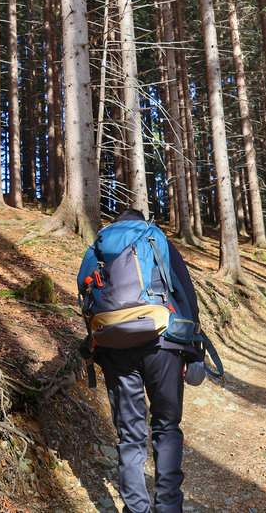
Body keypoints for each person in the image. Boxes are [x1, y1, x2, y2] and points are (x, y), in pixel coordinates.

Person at [82, 209, 202, 513]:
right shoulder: (154, 236)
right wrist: (192, 350)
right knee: (166, 426)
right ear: (140, 220)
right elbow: (185, 293)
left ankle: (136, 509)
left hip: (115, 347)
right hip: (162, 342)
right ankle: (168, 507)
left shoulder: (99, 246)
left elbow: (86, 298)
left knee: (130, 434)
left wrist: (97, 345)